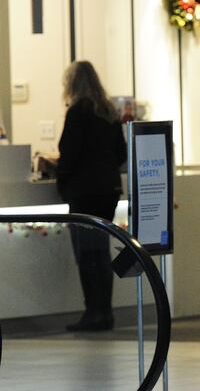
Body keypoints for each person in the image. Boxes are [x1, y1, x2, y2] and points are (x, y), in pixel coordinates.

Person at [57, 61, 127, 331]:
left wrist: (63, 184)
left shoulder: (78, 111)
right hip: (108, 190)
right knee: (100, 251)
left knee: (86, 254)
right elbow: (121, 152)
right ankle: (105, 312)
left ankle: (93, 313)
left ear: (72, 83)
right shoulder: (108, 110)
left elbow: (69, 152)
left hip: (84, 192)